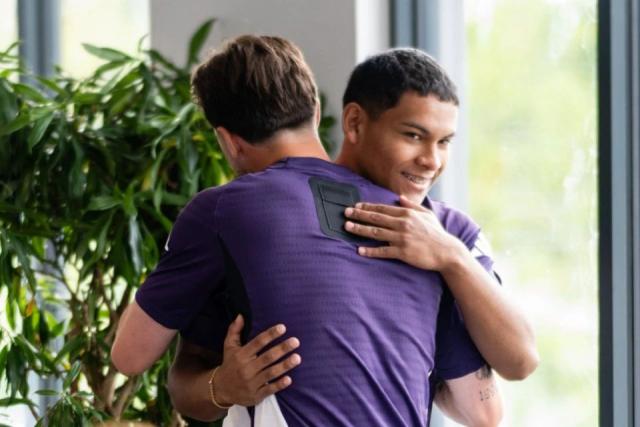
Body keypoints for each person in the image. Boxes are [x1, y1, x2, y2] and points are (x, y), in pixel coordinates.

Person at [111, 35, 537, 426]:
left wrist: (452, 258)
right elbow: (484, 411)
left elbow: (129, 357)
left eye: (444, 142)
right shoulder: (439, 226)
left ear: (228, 141)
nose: (431, 161)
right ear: (320, 113)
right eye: (413, 136)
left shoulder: (224, 210)